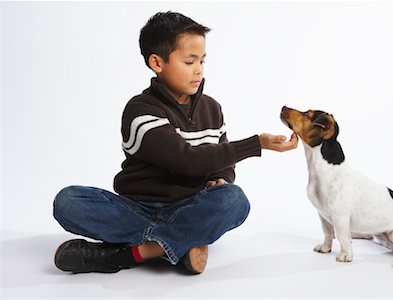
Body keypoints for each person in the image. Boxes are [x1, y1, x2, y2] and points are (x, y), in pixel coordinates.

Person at [53, 11, 298, 275]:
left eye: (202, 61)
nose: (199, 70)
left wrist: (222, 178)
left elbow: (220, 157)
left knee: (234, 200)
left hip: (190, 206)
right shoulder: (140, 110)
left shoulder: (211, 108)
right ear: (157, 63)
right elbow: (187, 161)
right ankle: (182, 243)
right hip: (136, 209)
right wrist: (256, 144)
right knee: (68, 201)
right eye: (189, 61)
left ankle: (135, 253)